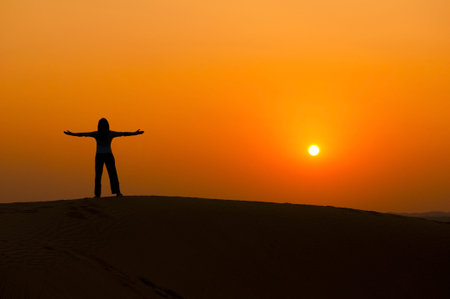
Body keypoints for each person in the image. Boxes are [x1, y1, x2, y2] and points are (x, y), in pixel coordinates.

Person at [64, 118, 144, 198]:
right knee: (108, 175)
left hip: (102, 156)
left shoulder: (102, 134)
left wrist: (135, 133)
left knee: (106, 175)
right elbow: (123, 134)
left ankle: (102, 194)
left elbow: (123, 134)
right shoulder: (102, 134)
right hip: (105, 156)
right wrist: (72, 134)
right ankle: (112, 193)